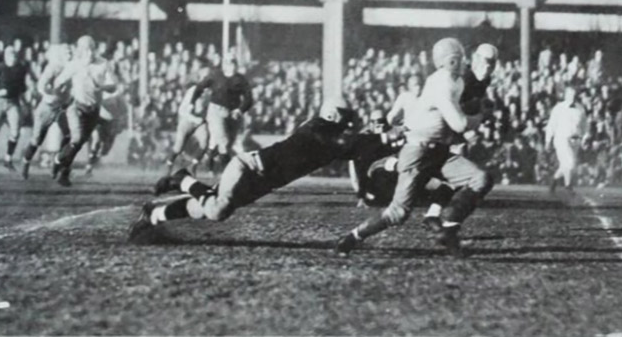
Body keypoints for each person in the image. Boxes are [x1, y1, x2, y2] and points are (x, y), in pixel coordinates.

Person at [335, 37, 494, 258]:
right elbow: (460, 123)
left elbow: (458, 107)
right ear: (449, 61)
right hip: (417, 152)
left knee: (481, 179)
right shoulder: (442, 83)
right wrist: (481, 115)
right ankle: (352, 237)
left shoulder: (455, 81)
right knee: (398, 213)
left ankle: (449, 229)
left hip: (439, 151)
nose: (460, 63)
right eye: (456, 59)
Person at [128, 96, 366, 242]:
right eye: (346, 117)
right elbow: (337, 142)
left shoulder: (327, 134)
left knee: (204, 210)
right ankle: (182, 180)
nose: (349, 122)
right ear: (332, 115)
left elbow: (350, 149)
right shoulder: (318, 127)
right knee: (217, 211)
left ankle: (154, 215)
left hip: (262, 181)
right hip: (249, 167)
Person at [51, 36, 120, 186]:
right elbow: (58, 81)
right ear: (80, 51)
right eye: (86, 50)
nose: (90, 53)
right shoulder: (75, 64)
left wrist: (102, 87)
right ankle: (58, 161)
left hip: (93, 110)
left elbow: (114, 85)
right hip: (76, 107)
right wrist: (60, 94)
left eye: (92, 49)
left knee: (79, 143)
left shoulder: (103, 64)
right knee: (76, 139)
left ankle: (63, 172)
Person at [190, 51, 253, 173]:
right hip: (216, 111)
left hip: (232, 113)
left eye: (234, 62)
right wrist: (192, 102)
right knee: (224, 142)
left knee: (227, 144)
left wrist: (240, 110)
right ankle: (226, 174)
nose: (232, 65)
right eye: (229, 62)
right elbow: (199, 87)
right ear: (224, 64)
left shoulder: (240, 79)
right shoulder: (215, 75)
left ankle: (209, 157)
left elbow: (249, 99)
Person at [21, 44, 71, 180]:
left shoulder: (73, 68)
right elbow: (41, 86)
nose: (69, 55)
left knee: (70, 136)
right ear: (60, 55)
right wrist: (51, 90)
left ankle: (57, 163)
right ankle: (25, 162)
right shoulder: (54, 67)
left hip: (62, 108)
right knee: (37, 139)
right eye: (66, 53)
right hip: (47, 107)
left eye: (70, 53)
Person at [164, 61, 212, 176]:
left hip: (200, 122)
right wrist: (195, 119)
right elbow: (182, 110)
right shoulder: (193, 91)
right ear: (200, 77)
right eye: (205, 76)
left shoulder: (211, 92)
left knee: (205, 143)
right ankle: (169, 166)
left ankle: (193, 166)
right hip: (188, 120)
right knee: (178, 147)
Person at [545, 85, 588, 195]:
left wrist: (583, 138)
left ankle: (554, 180)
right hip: (562, 139)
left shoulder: (580, 108)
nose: (572, 97)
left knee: (566, 165)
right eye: (570, 94)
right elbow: (551, 125)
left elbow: (584, 126)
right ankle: (568, 186)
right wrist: (548, 140)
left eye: (574, 95)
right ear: (565, 95)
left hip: (576, 140)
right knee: (570, 163)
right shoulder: (559, 108)